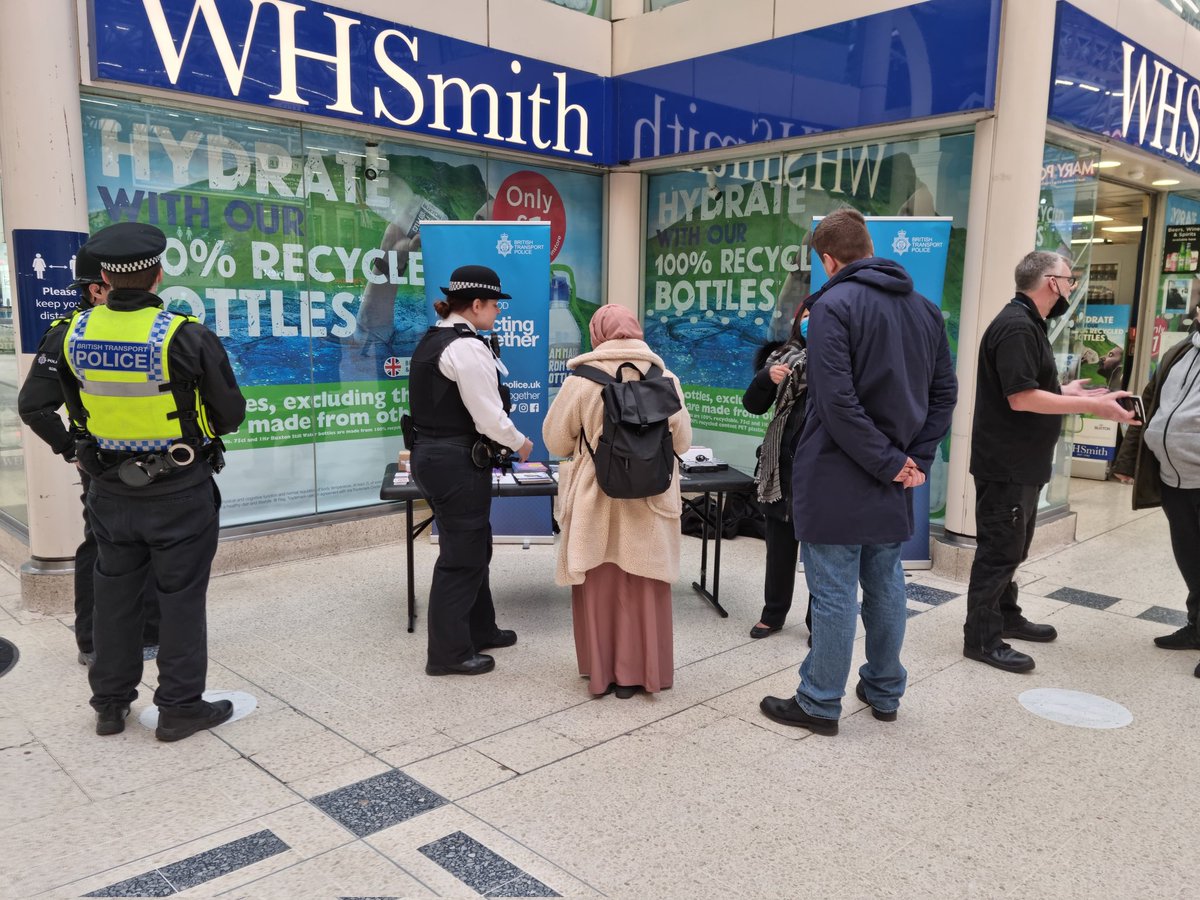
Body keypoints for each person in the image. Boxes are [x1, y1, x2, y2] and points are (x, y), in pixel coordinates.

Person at [759, 207, 957, 736]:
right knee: (887, 585)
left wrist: (894, 462)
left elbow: (838, 403)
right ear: (868, 247)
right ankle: (885, 688)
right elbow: (944, 394)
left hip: (839, 473)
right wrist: (915, 459)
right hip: (896, 475)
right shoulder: (925, 310)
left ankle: (820, 701)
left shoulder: (832, 305)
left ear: (828, 260)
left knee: (833, 592)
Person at [59, 222, 246, 740]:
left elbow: (74, 411)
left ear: (104, 278)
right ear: (158, 273)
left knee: (115, 599)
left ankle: (110, 705)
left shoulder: (71, 333)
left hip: (109, 491)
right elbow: (230, 415)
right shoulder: (185, 336)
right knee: (180, 598)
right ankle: (180, 707)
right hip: (179, 489)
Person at [964, 251, 1137, 673]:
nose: (1072, 287)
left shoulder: (1028, 323)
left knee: (1014, 547)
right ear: (1050, 282)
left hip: (1021, 461)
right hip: (1007, 462)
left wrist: (1068, 390)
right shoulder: (1017, 326)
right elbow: (1021, 398)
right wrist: (1091, 408)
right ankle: (981, 639)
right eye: (1069, 279)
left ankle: (1005, 614)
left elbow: (1028, 386)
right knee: (1000, 551)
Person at [18, 247, 161, 667]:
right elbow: (33, 406)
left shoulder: (146, 330)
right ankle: (94, 641)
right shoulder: (70, 332)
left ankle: (149, 636)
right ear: (97, 289)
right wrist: (70, 451)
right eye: (111, 286)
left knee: (145, 548)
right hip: (102, 464)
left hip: (155, 462)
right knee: (100, 549)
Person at [543, 304, 691, 698]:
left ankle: (602, 673)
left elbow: (556, 441)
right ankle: (644, 673)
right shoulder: (666, 378)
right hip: (652, 501)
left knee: (600, 582)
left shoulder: (581, 381)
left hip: (598, 502)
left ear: (598, 335)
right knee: (645, 584)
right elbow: (683, 443)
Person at [408, 265, 533, 677]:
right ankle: (447, 654)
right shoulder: (465, 348)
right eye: (495, 304)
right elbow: (488, 415)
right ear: (476, 304)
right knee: (461, 557)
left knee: (476, 545)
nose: (498, 311)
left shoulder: (436, 338)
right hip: (454, 462)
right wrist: (520, 442)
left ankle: (480, 629)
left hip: (436, 457)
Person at [1114, 323, 1200, 677]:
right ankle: (1197, 626)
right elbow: (1148, 404)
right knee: (1190, 558)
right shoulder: (1179, 351)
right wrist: (1126, 459)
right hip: (1173, 479)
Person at [742, 308, 812, 642]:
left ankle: (820, 622)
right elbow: (753, 405)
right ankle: (773, 614)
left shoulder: (839, 359)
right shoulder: (780, 357)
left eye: (818, 314)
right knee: (779, 547)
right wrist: (763, 379)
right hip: (779, 465)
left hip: (818, 470)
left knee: (820, 556)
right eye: (806, 314)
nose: (810, 320)